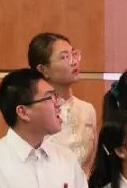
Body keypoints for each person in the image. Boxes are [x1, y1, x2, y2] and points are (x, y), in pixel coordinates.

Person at [28, 32, 98, 175]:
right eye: (65, 57)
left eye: (74, 54)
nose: (74, 62)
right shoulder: (34, 111)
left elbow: (91, 166)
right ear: (43, 69)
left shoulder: (87, 109)